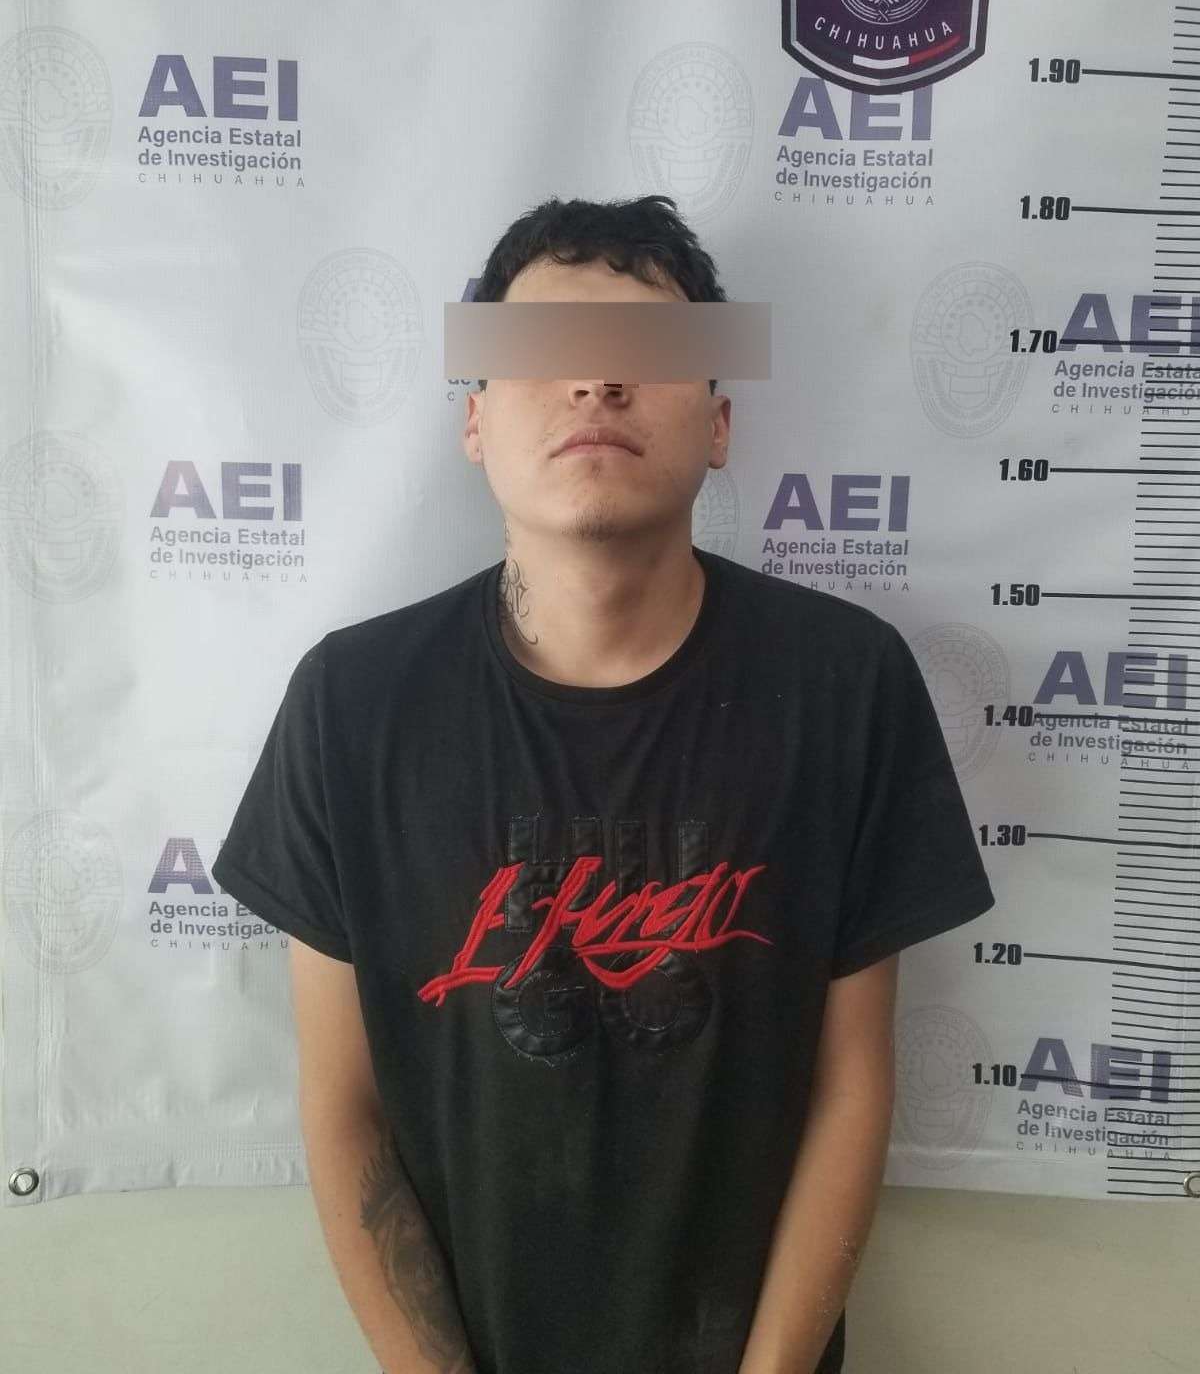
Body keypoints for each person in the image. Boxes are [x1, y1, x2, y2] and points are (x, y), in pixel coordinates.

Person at [211, 193, 996, 1374]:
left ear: (719, 421)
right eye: (543, 352)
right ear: (475, 418)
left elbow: (850, 1085)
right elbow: (342, 1104)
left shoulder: (844, 682)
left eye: (649, 349)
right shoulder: (352, 704)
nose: (595, 382)